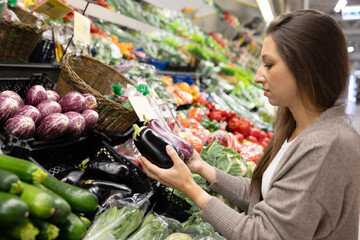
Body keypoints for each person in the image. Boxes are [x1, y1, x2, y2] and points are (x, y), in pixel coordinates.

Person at [140, 9, 360, 240]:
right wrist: (203, 168)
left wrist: (191, 189)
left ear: (305, 68)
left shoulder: (327, 147)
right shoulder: (299, 128)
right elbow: (266, 197)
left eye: (269, 64)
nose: (257, 76)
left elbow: (265, 234)